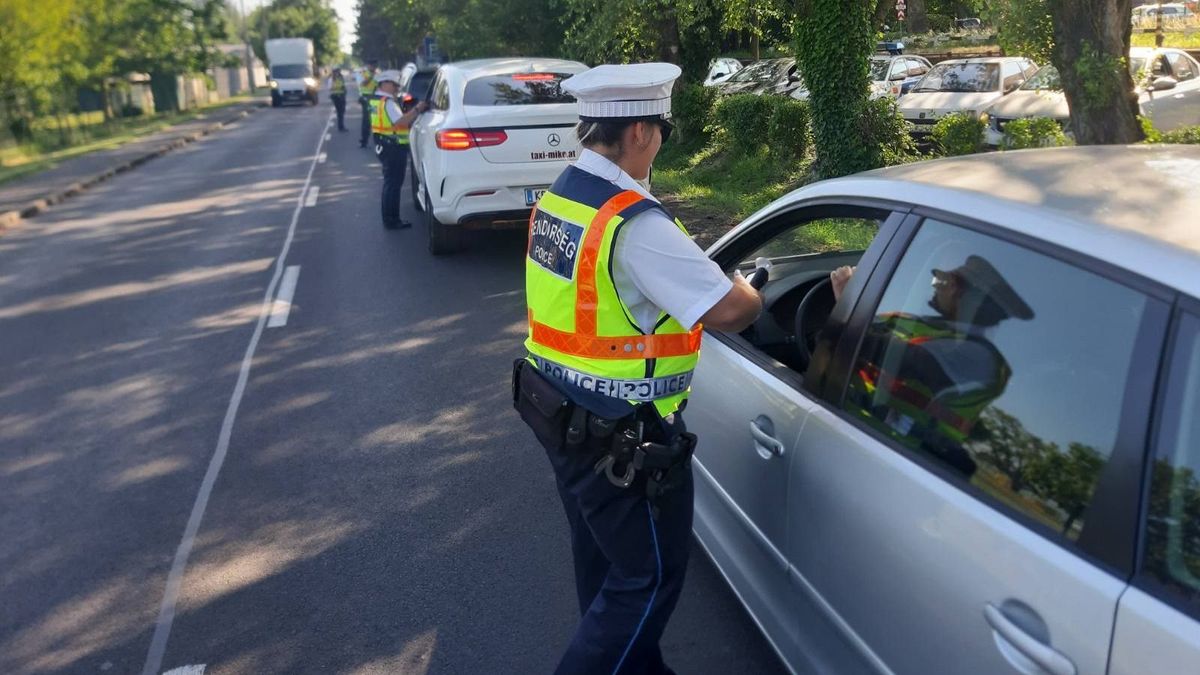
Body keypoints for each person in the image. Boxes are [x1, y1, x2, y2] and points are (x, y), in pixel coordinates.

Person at [512, 63, 761, 674]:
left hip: (561, 411)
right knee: (647, 579)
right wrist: (751, 289)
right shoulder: (636, 223)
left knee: (604, 566)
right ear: (643, 134)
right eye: (661, 135)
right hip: (625, 435)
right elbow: (729, 310)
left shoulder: (563, 195)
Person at [370, 70, 427, 229]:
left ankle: (389, 218)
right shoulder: (387, 102)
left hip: (384, 144)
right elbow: (400, 122)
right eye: (394, 85)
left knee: (390, 183)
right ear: (384, 84)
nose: (396, 88)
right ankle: (392, 220)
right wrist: (417, 109)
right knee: (393, 184)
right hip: (393, 146)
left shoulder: (377, 99)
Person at [358, 62, 378, 148]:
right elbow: (363, 83)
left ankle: (377, 140)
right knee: (366, 120)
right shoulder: (363, 73)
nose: (373, 67)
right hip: (366, 98)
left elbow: (378, 85)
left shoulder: (377, 74)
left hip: (374, 99)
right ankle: (364, 141)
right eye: (372, 65)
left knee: (374, 119)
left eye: (374, 66)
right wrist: (371, 76)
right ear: (368, 66)